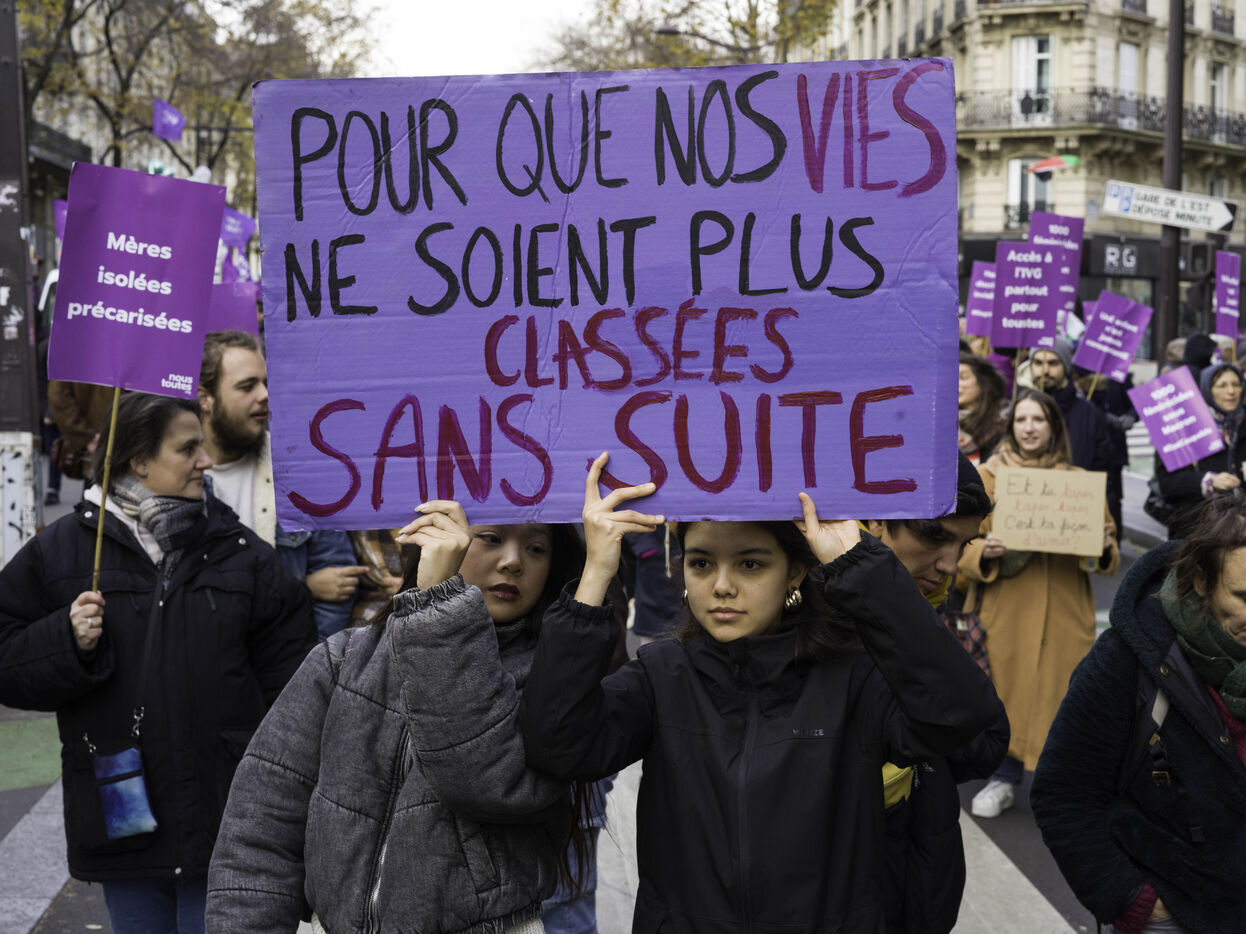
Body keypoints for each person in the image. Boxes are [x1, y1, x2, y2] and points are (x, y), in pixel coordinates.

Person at [519, 453, 1004, 931]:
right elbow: (559, 745)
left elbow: (960, 717)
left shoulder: (855, 679)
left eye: (750, 564)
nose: (722, 586)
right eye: (701, 563)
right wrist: (595, 574)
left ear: (795, 572)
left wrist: (859, 566)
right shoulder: (661, 675)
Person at [206, 501, 600, 933]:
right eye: (490, 538)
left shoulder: (552, 687)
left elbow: (483, 784)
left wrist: (439, 614)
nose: (512, 561)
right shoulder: (343, 659)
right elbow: (261, 825)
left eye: (536, 548)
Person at [0, 392, 315, 934]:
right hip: (124, 822)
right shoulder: (64, 553)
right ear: (139, 460)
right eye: (187, 449)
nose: (205, 461)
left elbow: (295, 691)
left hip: (227, 825)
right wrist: (66, 641)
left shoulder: (243, 555)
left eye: (202, 446)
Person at [1031, 497, 1246, 933]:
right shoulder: (1128, 658)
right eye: (1243, 596)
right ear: (1201, 582)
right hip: (1177, 913)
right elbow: (1063, 794)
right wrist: (1134, 901)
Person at [864, 453, 1011, 934]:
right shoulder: (806, 615)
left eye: (963, 543)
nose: (950, 564)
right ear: (875, 519)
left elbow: (986, 739)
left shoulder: (928, 608)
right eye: (933, 536)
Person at [958, 388, 1120, 818]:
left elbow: (1104, 555)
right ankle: (1003, 778)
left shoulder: (1077, 482)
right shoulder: (986, 477)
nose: (1029, 428)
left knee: (1065, 699)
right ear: (1010, 427)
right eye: (1021, 420)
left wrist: (1104, 545)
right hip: (1006, 611)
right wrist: (983, 552)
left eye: (1039, 420)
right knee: (1005, 697)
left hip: (1066, 611)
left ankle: (1064, 788)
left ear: (1053, 427)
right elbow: (958, 549)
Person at [199, 330, 364, 639]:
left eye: (266, 382)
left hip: (291, 656)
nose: (264, 394)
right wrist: (304, 586)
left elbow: (339, 585)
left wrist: (308, 665)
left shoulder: (299, 470)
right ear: (204, 399)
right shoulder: (180, 478)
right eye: (247, 386)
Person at [1151, 361, 1246, 542]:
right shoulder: (1183, 426)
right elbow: (1168, 483)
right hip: (1197, 533)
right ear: (1207, 390)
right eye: (1222, 385)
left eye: (1236, 384)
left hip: (1239, 534)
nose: (1231, 391)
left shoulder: (1242, 425)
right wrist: (1209, 481)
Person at [957, 352, 1007, 464]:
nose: (954, 383)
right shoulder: (939, 424)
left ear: (983, 383)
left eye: (963, 377)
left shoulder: (1002, 426)